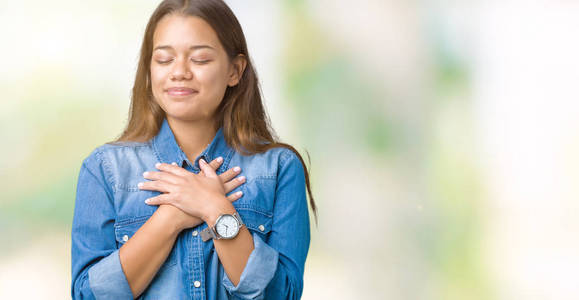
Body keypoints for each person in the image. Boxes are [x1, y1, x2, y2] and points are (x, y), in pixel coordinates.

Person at [70, 0, 317, 299]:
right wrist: (171, 216)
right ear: (149, 70)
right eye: (163, 60)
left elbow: (284, 295)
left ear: (235, 71)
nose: (179, 72)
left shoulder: (279, 169)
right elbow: (87, 295)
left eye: (199, 59)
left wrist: (217, 210)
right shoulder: (104, 169)